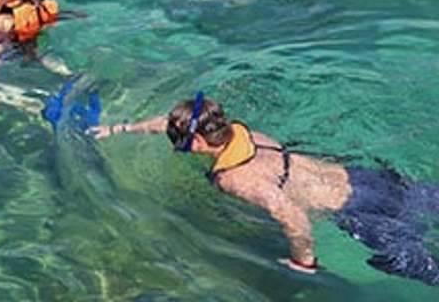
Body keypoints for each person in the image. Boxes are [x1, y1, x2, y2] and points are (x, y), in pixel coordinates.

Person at [91, 95, 439, 286]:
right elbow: (175, 123)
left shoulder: (234, 178)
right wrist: (121, 128)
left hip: (361, 215)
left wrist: (304, 262)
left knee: (423, 270)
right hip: (363, 178)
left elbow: (293, 217)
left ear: (197, 142)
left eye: (180, 144)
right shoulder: (246, 135)